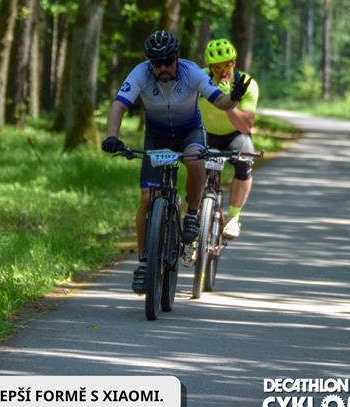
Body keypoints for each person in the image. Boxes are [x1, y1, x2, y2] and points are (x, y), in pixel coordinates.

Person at [102, 30, 251, 294]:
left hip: (189, 133)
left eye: (167, 61)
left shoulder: (191, 71)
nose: (162, 68)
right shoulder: (140, 73)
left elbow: (221, 102)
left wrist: (234, 98)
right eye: (156, 63)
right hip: (157, 136)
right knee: (146, 198)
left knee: (195, 160)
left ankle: (192, 214)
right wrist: (112, 136)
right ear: (149, 63)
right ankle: (145, 263)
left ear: (177, 58)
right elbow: (119, 106)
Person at [198, 38, 260, 240]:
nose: (222, 71)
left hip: (234, 135)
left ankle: (233, 217)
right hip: (205, 133)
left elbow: (245, 126)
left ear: (234, 62)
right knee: (194, 165)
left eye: (227, 65)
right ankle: (194, 217)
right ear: (209, 67)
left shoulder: (246, 84)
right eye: (216, 67)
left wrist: (229, 102)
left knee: (246, 159)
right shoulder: (200, 80)